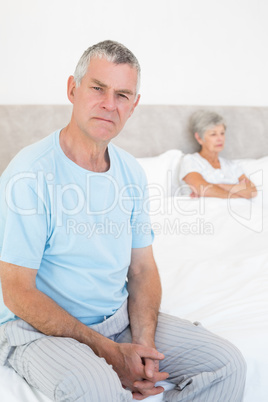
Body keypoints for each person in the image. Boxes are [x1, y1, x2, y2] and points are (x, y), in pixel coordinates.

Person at [0, 40, 246, 401]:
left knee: (227, 363)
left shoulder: (130, 171)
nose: (109, 104)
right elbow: (17, 290)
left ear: (134, 105)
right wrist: (108, 352)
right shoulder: (30, 173)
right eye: (98, 88)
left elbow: (143, 269)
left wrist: (142, 348)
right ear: (73, 89)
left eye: (122, 94)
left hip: (117, 321)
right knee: (96, 390)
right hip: (39, 329)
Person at [179, 110, 257, 198]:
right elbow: (202, 188)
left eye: (222, 133)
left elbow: (252, 192)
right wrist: (238, 192)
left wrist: (216, 186)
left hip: (240, 209)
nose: (220, 139)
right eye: (213, 134)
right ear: (199, 138)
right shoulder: (191, 161)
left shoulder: (231, 166)